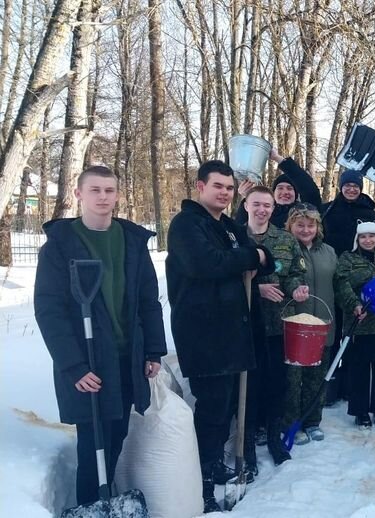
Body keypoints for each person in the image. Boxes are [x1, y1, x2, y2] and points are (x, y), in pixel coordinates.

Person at [35, 165, 167, 508]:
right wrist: (73, 366)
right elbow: (50, 311)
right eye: (95, 190)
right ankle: (88, 506)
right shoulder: (60, 246)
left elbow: (148, 301)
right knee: (92, 440)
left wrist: (153, 350)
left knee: (117, 434)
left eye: (109, 190)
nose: (103, 197)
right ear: (79, 194)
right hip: (89, 362)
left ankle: (105, 505)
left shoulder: (132, 241)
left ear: (118, 195)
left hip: (127, 357)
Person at [166, 160, 274, 513]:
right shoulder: (186, 225)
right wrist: (246, 256)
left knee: (225, 406)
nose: (225, 193)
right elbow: (206, 264)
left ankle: (212, 466)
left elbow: (265, 259)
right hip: (203, 332)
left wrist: (251, 255)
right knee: (211, 410)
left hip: (232, 331)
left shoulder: (228, 226)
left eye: (229, 188)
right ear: (200, 187)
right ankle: (200, 483)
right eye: (218, 187)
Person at [243, 186, 308, 467]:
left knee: (277, 383)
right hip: (244, 326)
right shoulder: (232, 237)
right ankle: (246, 442)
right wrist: (257, 289)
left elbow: (295, 272)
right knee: (249, 385)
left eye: (267, 206)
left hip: (279, 324)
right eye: (256, 204)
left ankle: (273, 436)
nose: (262, 210)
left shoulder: (284, 239)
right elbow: (220, 277)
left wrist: (295, 290)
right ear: (246, 205)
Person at [318, 169, 375, 404]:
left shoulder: (369, 212)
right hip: (332, 276)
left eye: (355, 185)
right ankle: (331, 386)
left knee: (354, 334)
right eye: (347, 185)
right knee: (334, 332)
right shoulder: (328, 209)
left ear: (360, 188)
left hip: (360, 279)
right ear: (340, 187)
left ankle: (351, 385)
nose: (351, 189)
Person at [334, 221, 375, 430]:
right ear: (357, 239)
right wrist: (353, 304)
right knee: (359, 369)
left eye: (372, 236)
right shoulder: (348, 259)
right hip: (359, 325)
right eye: (363, 237)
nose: (368, 240)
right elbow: (341, 284)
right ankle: (360, 411)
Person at [283, 203, 338, 444]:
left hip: (324, 326)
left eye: (311, 225)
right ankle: (292, 422)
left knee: (317, 377)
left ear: (318, 226)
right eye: (300, 225)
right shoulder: (285, 251)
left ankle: (312, 421)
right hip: (295, 328)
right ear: (291, 226)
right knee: (293, 380)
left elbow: (339, 283)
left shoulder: (328, 252)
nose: (306, 230)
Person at [235, 149, 323, 228]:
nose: (285, 192)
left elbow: (311, 192)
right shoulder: (263, 212)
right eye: (280, 188)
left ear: (296, 194)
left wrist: (277, 158)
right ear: (273, 193)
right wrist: (248, 197)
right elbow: (240, 227)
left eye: (289, 188)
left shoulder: (304, 211)